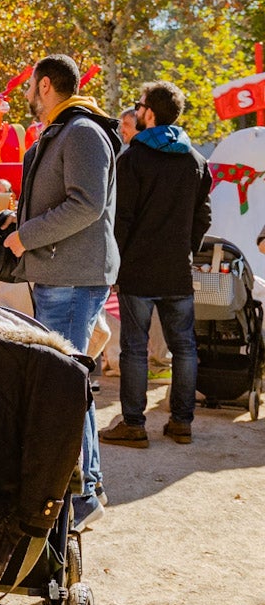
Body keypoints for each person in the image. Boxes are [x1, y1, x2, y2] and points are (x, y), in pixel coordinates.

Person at [2, 54, 120, 532]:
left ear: (45, 85)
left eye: (30, 86)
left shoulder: (82, 132)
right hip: (62, 274)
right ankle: (87, 485)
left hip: (71, 277)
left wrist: (26, 237)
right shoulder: (70, 131)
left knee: (65, 387)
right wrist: (20, 221)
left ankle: (84, 496)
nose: (27, 96)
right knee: (69, 383)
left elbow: (86, 205)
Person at [100, 81, 211, 449]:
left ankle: (133, 424)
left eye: (139, 105)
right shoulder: (196, 161)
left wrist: (117, 264)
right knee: (184, 347)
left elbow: (121, 220)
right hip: (177, 269)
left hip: (138, 271)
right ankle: (182, 423)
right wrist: (187, 250)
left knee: (134, 347)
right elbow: (203, 216)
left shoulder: (132, 159)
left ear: (148, 114)